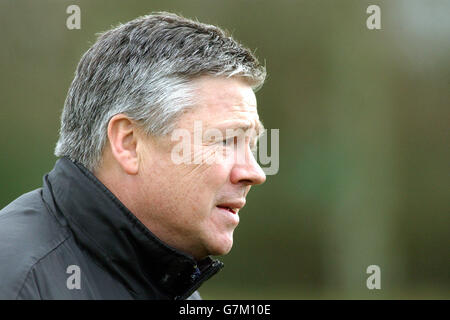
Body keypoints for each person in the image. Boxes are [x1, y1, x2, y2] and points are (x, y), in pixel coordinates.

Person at [0, 12, 266, 299]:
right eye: (225, 140)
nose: (255, 173)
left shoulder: (170, 282)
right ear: (128, 144)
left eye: (251, 146)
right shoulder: (17, 281)